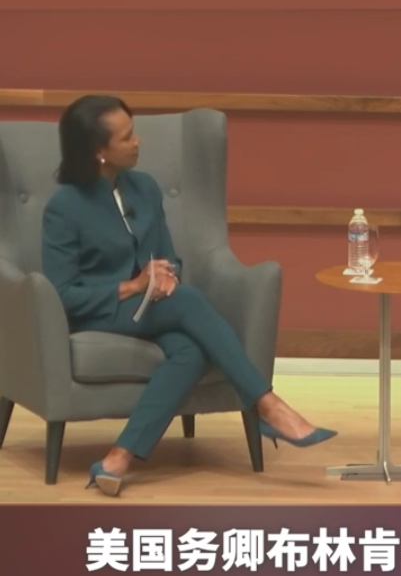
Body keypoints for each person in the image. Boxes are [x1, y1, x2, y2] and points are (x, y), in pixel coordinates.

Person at [41, 95, 336, 497]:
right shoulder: (64, 207)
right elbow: (62, 294)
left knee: (190, 351)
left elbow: (169, 257)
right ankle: (266, 404)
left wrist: (167, 277)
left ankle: (117, 458)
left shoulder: (144, 188)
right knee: (190, 301)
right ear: (99, 151)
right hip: (99, 311)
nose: (138, 141)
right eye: (126, 137)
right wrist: (134, 286)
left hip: (151, 306)